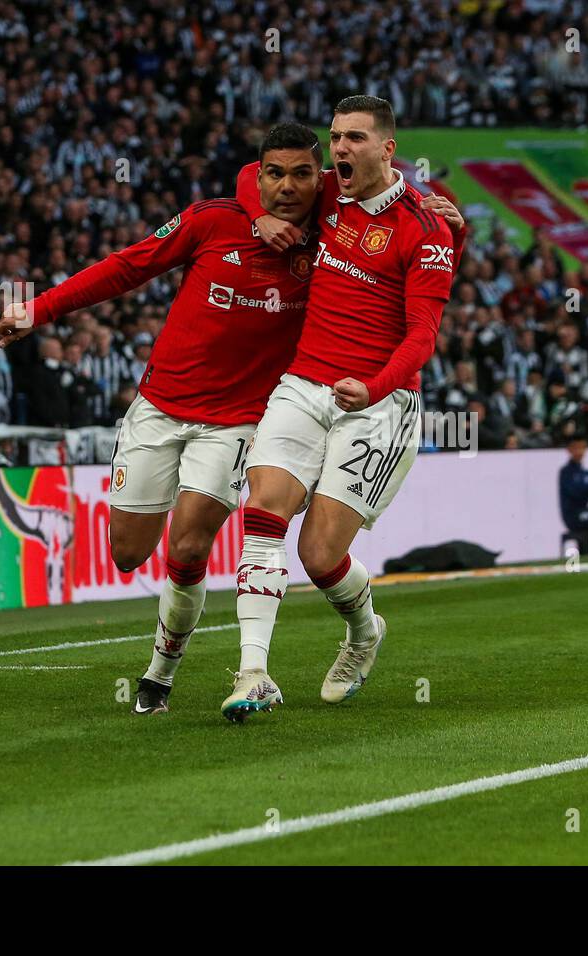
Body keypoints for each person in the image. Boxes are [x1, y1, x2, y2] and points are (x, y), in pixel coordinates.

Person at [0, 123, 328, 717]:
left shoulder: (330, 233)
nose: (287, 186)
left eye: (302, 173)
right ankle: (165, 659)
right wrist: (38, 309)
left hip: (237, 423)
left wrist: (444, 217)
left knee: (190, 542)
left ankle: (161, 671)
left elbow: (395, 204)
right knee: (127, 553)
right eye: (274, 173)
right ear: (260, 173)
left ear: (320, 176)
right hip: (159, 408)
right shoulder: (211, 220)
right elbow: (128, 267)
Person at [229, 95, 466, 719]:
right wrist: (259, 218)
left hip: (378, 404)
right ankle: (253, 672)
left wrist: (376, 387)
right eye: (335, 137)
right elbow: (249, 175)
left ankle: (364, 633)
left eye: (354, 138)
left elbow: (422, 336)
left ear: (387, 149)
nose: (339, 150)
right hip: (304, 384)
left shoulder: (426, 227)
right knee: (262, 511)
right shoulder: (329, 195)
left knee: (318, 555)